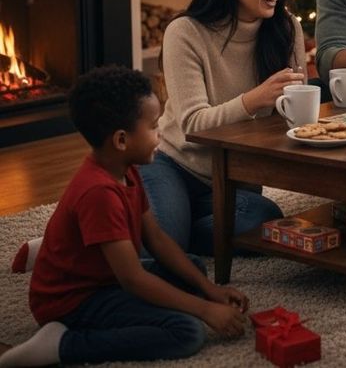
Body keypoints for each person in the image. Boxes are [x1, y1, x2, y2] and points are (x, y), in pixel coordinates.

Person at [0, 66, 248, 367]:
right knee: (187, 331)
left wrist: (210, 291)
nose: (160, 136)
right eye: (154, 127)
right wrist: (204, 310)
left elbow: (156, 238)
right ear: (121, 140)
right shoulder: (99, 193)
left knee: (192, 267)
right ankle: (62, 344)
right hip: (71, 301)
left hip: (103, 277)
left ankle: (54, 252)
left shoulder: (126, 169)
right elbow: (133, 280)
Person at [141, 0, 307, 256]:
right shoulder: (185, 32)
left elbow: (290, 120)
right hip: (174, 164)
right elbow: (192, 124)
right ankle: (130, 230)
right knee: (166, 252)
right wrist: (253, 100)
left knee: (267, 221)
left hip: (233, 178)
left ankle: (140, 226)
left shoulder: (286, 29)